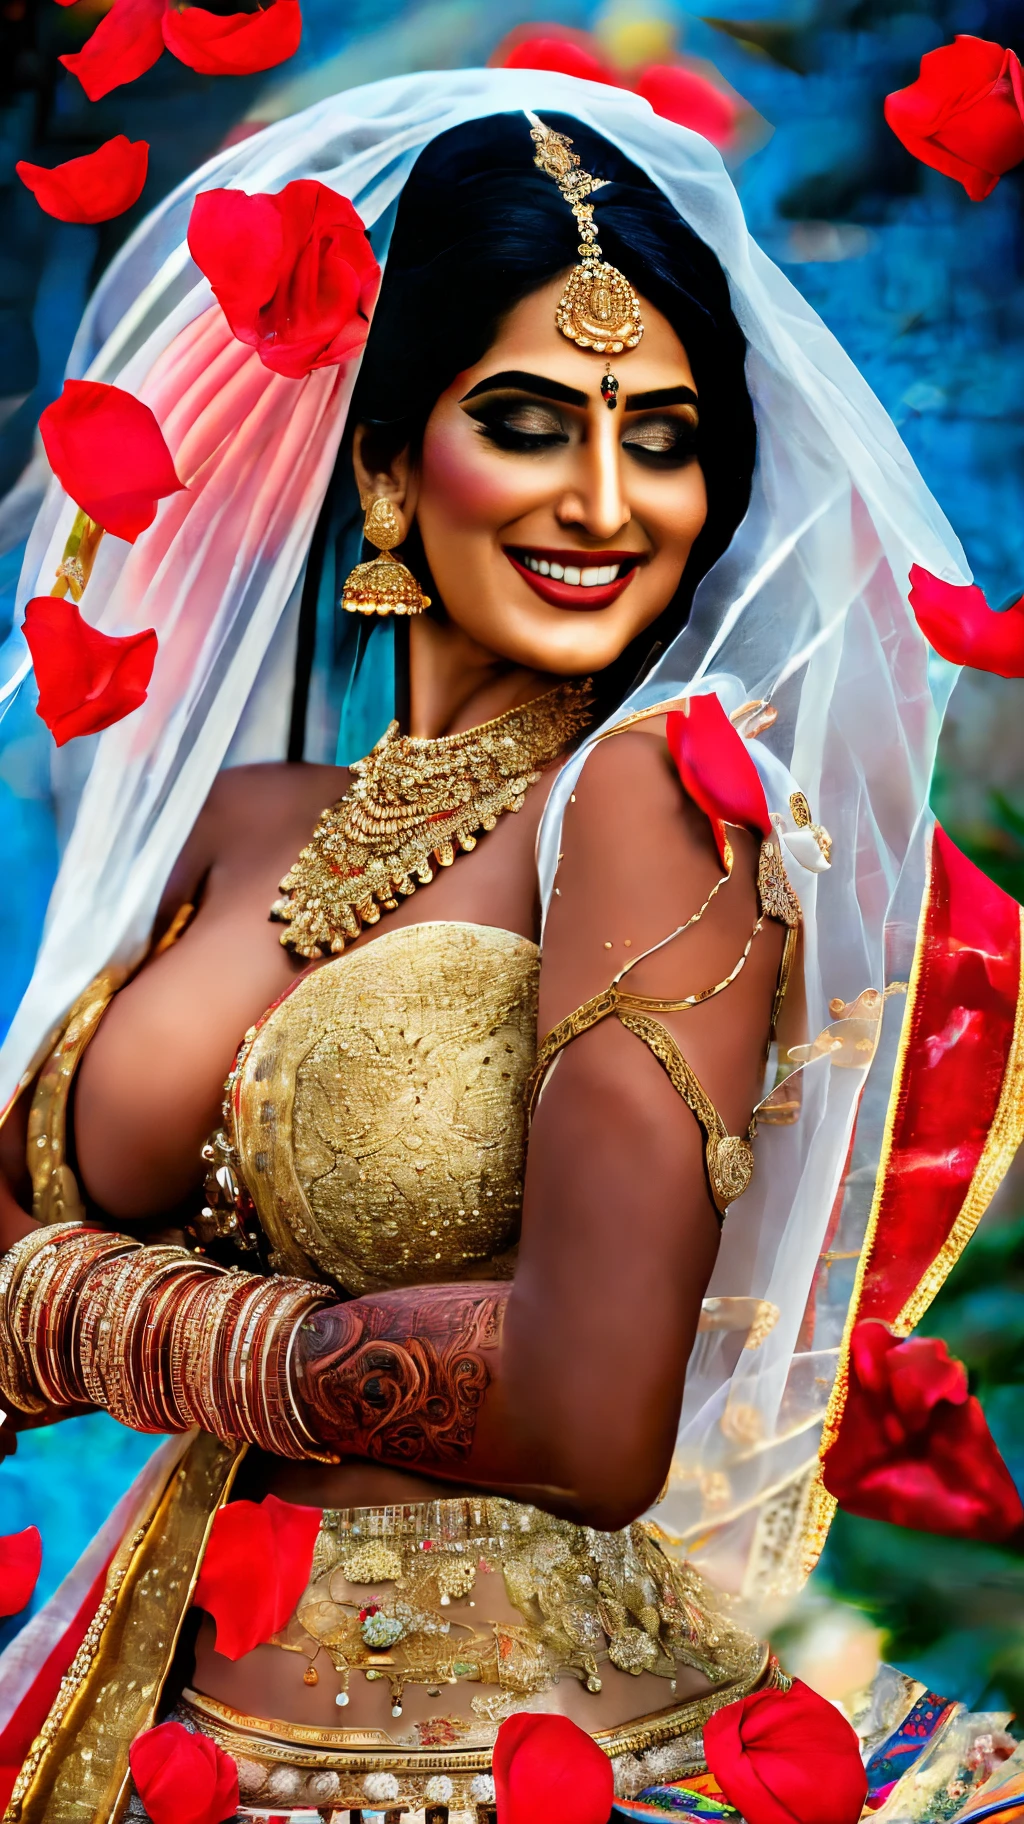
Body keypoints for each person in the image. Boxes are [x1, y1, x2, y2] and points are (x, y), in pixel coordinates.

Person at [0, 69, 1009, 1824]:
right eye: (535, 420)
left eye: (666, 437)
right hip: (156, 1724)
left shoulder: (647, 806)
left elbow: (586, 1412)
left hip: (506, 1763)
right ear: (392, 463)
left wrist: (67, 1314)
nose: (608, 501)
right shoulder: (249, 819)